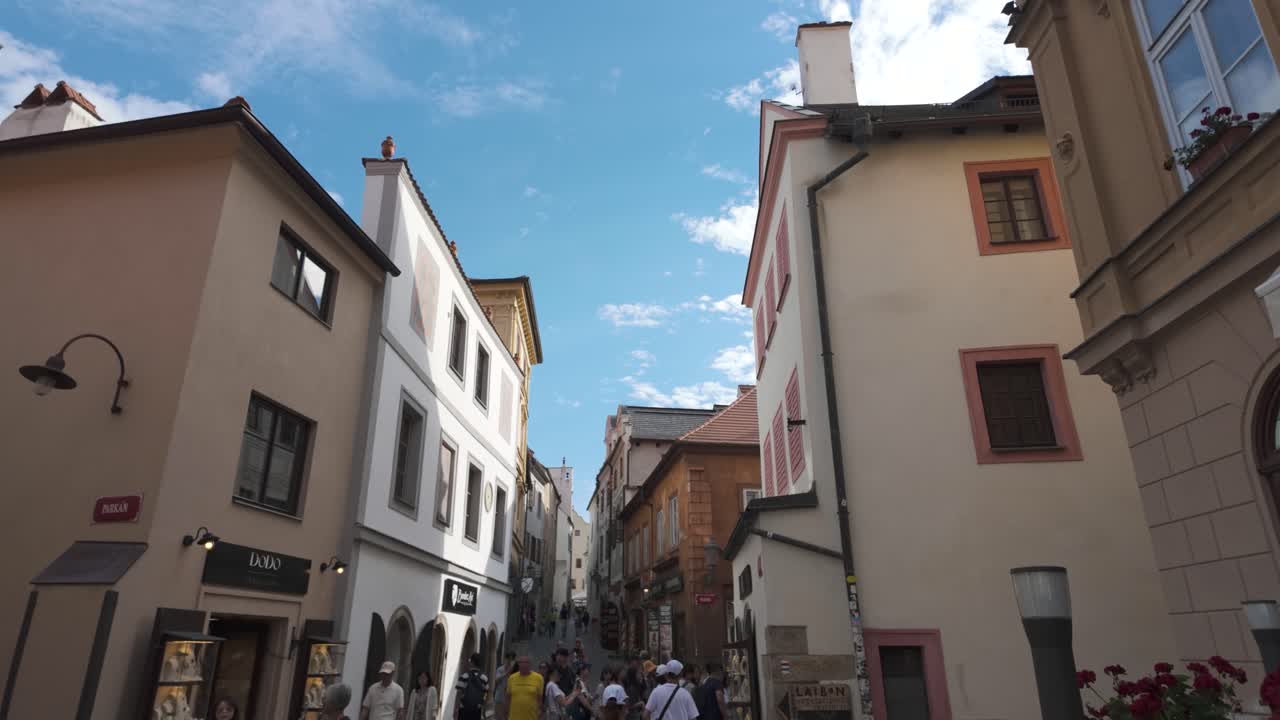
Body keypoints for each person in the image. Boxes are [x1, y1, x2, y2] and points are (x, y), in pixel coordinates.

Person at [504, 656, 544, 720]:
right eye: (521, 662)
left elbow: (540, 699)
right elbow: (508, 697)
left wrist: (540, 713)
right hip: (514, 717)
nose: (523, 665)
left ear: (530, 664)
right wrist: (506, 714)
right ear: (518, 664)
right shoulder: (512, 678)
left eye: (526, 662)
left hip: (531, 717)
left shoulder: (539, 678)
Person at [453, 653, 488, 720]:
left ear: (472, 662)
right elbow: (485, 695)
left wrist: (455, 710)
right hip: (477, 710)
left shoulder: (464, 676)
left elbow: (458, 694)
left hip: (464, 709)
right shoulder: (484, 678)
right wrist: (483, 712)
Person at [493, 652, 517, 720]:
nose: (509, 661)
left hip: (510, 698)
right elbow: (496, 680)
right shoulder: (500, 669)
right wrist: (507, 673)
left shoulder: (515, 671)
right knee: (498, 716)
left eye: (512, 659)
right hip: (500, 697)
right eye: (508, 659)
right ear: (505, 659)